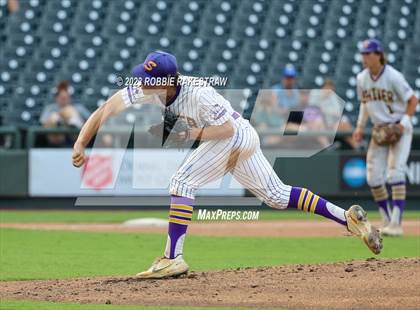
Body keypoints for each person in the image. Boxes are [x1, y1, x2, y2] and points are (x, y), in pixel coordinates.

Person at [72, 51, 382, 279]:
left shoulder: (199, 94)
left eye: (148, 78)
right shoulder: (152, 86)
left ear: (167, 80)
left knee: (182, 183)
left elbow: (228, 131)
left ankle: (172, 257)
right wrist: (82, 141)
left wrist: (191, 133)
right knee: (276, 195)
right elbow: (108, 106)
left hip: (234, 135)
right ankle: (349, 219)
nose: (142, 82)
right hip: (238, 136)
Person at [352, 39, 418, 236]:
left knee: (395, 173)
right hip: (379, 129)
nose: (365, 57)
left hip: (398, 127)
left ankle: (397, 224)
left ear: (379, 55)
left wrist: (403, 123)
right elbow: (364, 104)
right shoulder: (361, 78)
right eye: (363, 54)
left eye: (368, 53)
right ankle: (387, 219)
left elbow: (413, 100)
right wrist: (359, 126)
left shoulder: (393, 76)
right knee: (373, 178)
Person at [308, 80, 358, 149]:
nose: (329, 91)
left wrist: (325, 111)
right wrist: (323, 101)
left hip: (331, 124)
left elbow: (337, 113)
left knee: (345, 125)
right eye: (327, 89)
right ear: (323, 88)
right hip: (317, 123)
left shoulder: (333, 97)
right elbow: (313, 109)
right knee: (318, 123)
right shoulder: (315, 93)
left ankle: (357, 148)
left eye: (331, 89)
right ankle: (327, 147)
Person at [40, 81, 91, 147]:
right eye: (61, 97)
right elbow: (44, 125)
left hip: (76, 140)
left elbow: (92, 122)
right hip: (55, 141)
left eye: (66, 97)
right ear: (56, 98)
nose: (64, 100)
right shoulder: (50, 108)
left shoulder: (79, 108)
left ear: (70, 97)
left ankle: (73, 123)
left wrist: (73, 117)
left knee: (71, 112)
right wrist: (61, 116)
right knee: (54, 117)